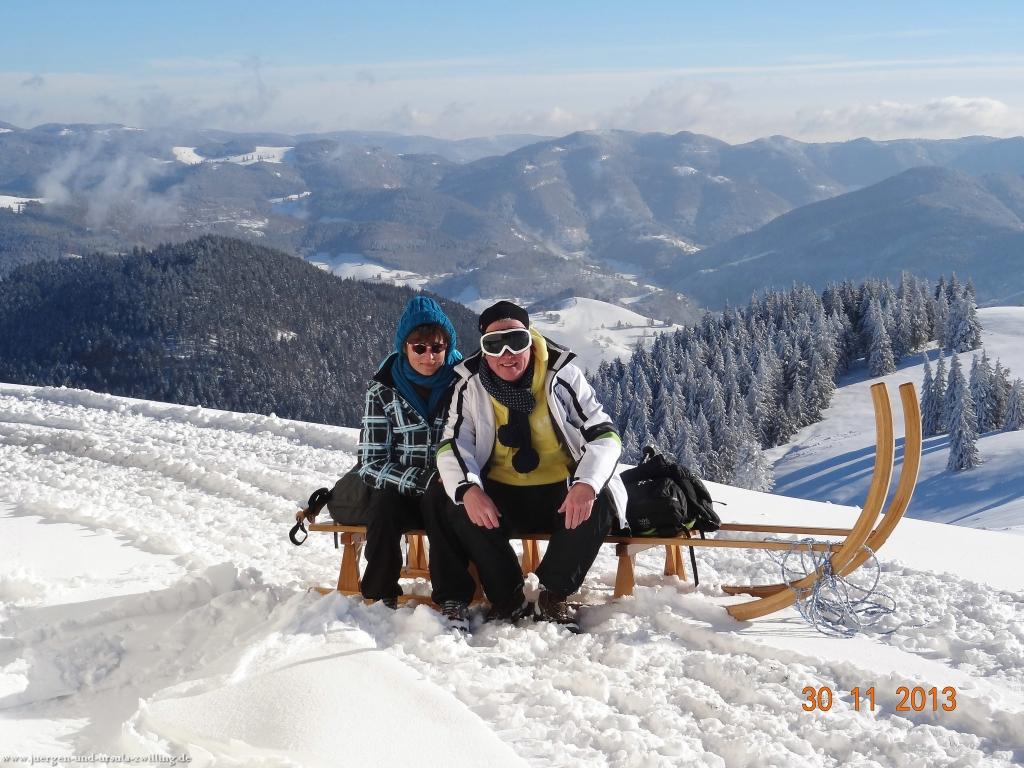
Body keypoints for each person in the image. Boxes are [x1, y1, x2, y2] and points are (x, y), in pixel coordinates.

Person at [427, 301, 627, 632]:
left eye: (516, 341)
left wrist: (586, 483)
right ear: (484, 350)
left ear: (531, 339)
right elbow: (452, 444)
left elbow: (604, 433)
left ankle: (551, 595)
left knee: (601, 497)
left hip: (560, 492)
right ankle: (507, 596)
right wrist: (470, 489)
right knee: (450, 497)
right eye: (494, 345)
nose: (507, 353)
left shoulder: (561, 375)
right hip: (500, 494)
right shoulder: (470, 384)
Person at [355, 295, 462, 607]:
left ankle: (453, 596)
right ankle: (378, 593)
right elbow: (371, 462)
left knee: (443, 502)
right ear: (405, 347)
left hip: (450, 486)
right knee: (384, 505)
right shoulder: (384, 388)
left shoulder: (465, 383)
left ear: (447, 346)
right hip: (400, 487)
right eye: (419, 348)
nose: (428, 356)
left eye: (437, 347)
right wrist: (422, 480)